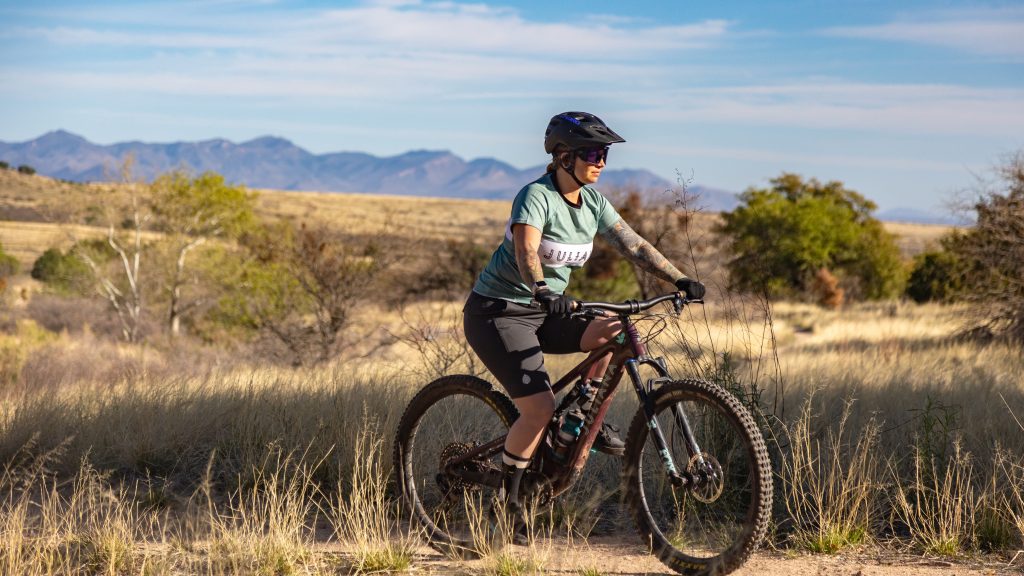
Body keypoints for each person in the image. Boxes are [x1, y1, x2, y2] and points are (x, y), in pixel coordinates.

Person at [462, 111, 706, 520]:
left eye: (605, 153)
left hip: (545, 311)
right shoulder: (536, 196)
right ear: (562, 157)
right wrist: (541, 288)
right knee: (538, 408)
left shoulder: (592, 202)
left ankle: (579, 413)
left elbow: (636, 247)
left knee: (614, 331)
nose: (601, 162)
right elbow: (526, 251)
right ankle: (507, 503)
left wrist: (679, 279)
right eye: (593, 153)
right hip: (499, 312)